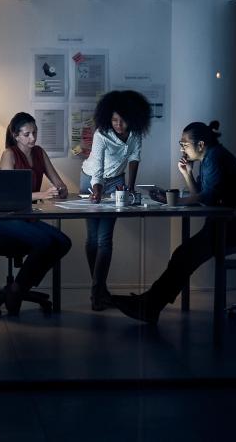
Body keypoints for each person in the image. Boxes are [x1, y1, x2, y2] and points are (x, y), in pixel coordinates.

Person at [113, 120, 236, 324]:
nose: (182, 149)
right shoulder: (209, 158)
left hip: (232, 227)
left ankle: (150, 305)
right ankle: (150, 303)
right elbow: (203, 195)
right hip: (222, 224)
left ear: (201, 145)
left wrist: (177, 201)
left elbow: (207, 198)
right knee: (183, 254)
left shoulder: (214, 158)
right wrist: (187, 173)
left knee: (184, 254)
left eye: (184, 144)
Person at [0, 112, 72, 314]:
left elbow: (60, 184)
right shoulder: (9, 154)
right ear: (16, 135)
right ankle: (17, 289)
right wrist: (43, 194)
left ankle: (19, 288)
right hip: (5, 217)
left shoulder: (39, 153)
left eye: (35, 133)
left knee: (64, 243)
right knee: (45, 243)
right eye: (27, 134)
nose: (32, 138)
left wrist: (60, 190)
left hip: (27, 217)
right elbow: (10, 196)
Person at [79, 90, 152, 310]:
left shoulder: (136, 134)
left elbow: (134, 157)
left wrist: (130, 187)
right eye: (114, 120)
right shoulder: (102, 134)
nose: (118, 125)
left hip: (116, 182)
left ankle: (97, 291)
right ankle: (99, 291)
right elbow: (98, 171)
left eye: (123, 120)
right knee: (93, 239)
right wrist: (97, 191)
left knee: (105, 239)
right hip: (91, 180)